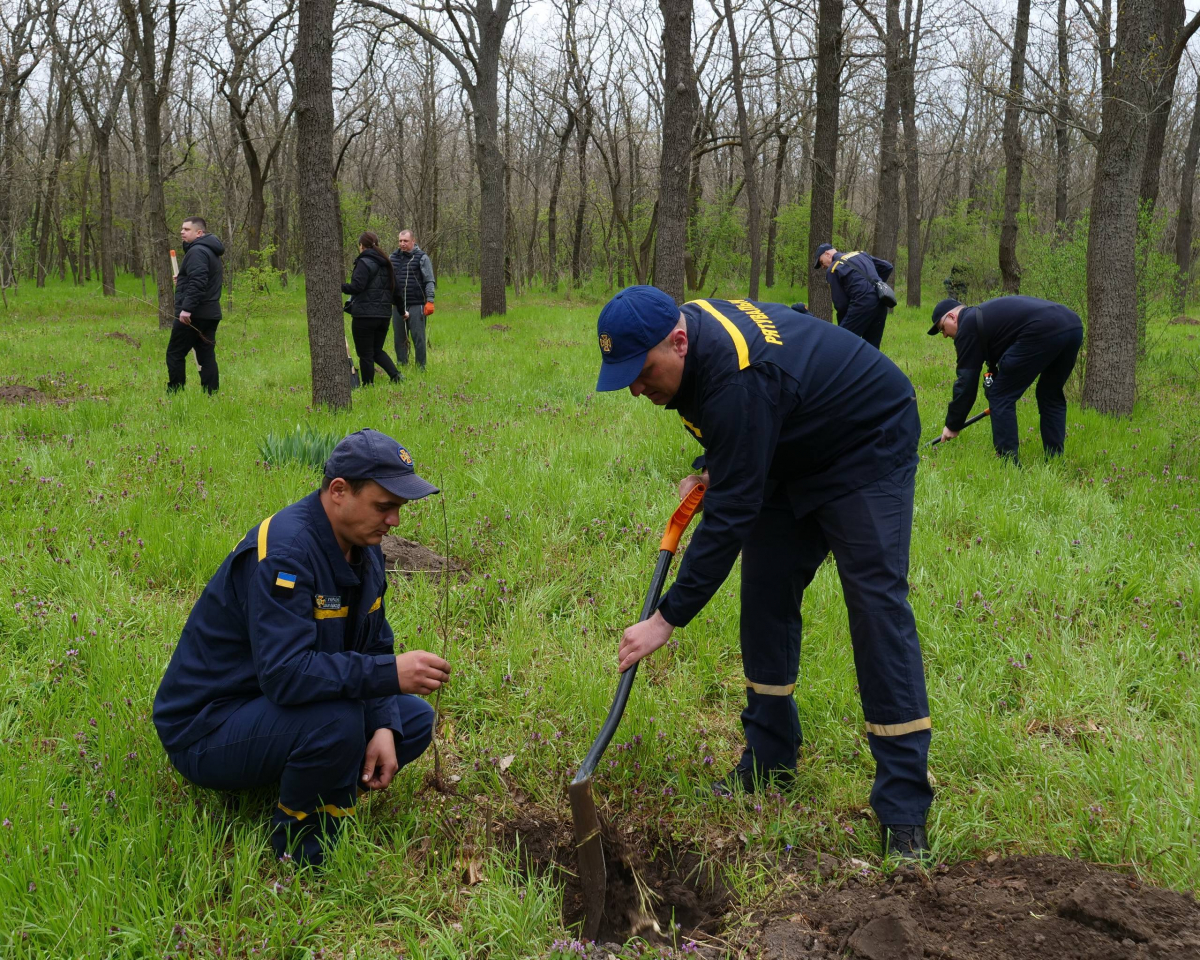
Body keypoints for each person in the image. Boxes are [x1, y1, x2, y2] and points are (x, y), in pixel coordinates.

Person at [594, 286, 933, 860]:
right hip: (791, 444)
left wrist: (666, 618)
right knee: (766, 594)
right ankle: (770, 760)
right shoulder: (694, 340)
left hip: (865, 441)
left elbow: (730, 516)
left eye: (642, 370)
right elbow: (741, 424)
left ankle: (904, 809)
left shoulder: (738, 374)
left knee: (876, 608)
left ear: (677, 342)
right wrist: (713, 466)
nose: (635, 387)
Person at [153, 430, 450, 866]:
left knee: (414, 720)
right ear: (338, 491)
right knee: (337, 720)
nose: (395, 522)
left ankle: (318, 776)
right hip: (208, 726)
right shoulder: (286, 553)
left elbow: (375, 643)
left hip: (270, 707)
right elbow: (285, 675)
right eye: (384, 507)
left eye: (399, 509)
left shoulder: (362, 548)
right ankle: (302, 850)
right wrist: (390, 674)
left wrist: (384, 723)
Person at [929, 296, 1084, 463]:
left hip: (1042, 329)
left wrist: (953, 424)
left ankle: (1009, 463)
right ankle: (1055, 460)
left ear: (952, 317)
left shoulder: (967, 325)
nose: (944, 335)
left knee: (1001, 396)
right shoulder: (982, 317)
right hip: (1073, 326)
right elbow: (1003, 349)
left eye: (942, 328)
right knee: (1050, 394)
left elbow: (966, 382)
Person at [167, 217, 225, 394]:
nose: (182, 232)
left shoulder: (198, 251)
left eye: (186, 229)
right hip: (210, 314)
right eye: (181, 229)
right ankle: (211, 395)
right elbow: (201, 279)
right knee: (206, 356)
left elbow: (199, 282)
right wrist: (183, 279)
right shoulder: (209, 250)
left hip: (194, 314)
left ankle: (175, 395)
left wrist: (187, 309)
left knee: (175, 354)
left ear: (199, 233)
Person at [343, 232, 403, 386]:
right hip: (384, 316)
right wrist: (402, 312)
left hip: (364, 316)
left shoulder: (364, 262)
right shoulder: (388, 263)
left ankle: (368, 385)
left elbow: (357, 287)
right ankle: (396, 377)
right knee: (376, 351)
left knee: (366, 354)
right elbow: (397, 292)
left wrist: (339, 286)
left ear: (361, 246)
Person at [813, 243, 894, 349]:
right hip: (881, 301)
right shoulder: (860, 254)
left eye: (821, 262)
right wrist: (874, 287)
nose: (823, 267)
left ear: (827, 254)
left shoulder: (833, 269)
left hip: (861, 304)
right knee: (872, 349)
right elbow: (887, 267)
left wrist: (842, 326)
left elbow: (841, 305)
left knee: (840, 344)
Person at [389, 230, 436, 370]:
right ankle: (402, 365)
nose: (402, 244)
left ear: (413, 241)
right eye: (400, 241)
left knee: (418, 337)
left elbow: (429, 280)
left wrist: (430, 300)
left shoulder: (422, 258)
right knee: (399, 338)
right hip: (398, 305)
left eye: (405, 241)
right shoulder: (392, 258)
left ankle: (421, 367)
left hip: (417, 304)